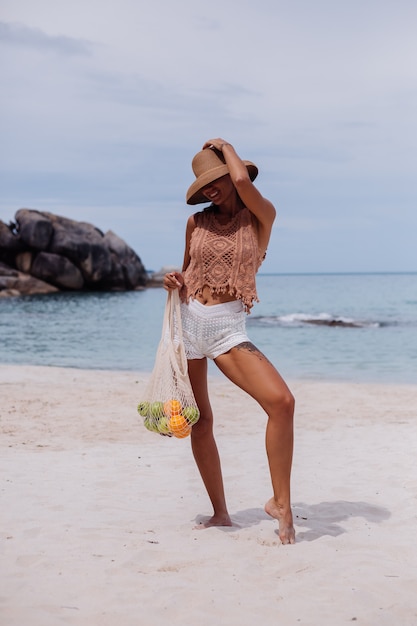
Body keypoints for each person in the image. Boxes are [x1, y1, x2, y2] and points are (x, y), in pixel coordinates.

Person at [163, 138, 295, 545]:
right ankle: (220, 513)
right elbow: (187, 270)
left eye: (216, 179)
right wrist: (172, 279)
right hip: (188, 323)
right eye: (204, 184)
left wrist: (226, 147)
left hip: (227, 329)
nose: (210, 189)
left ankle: (281, 504)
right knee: (201, 422)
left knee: (282, 403)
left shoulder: (261, 218)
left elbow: (240, 177)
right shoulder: (195, 223)